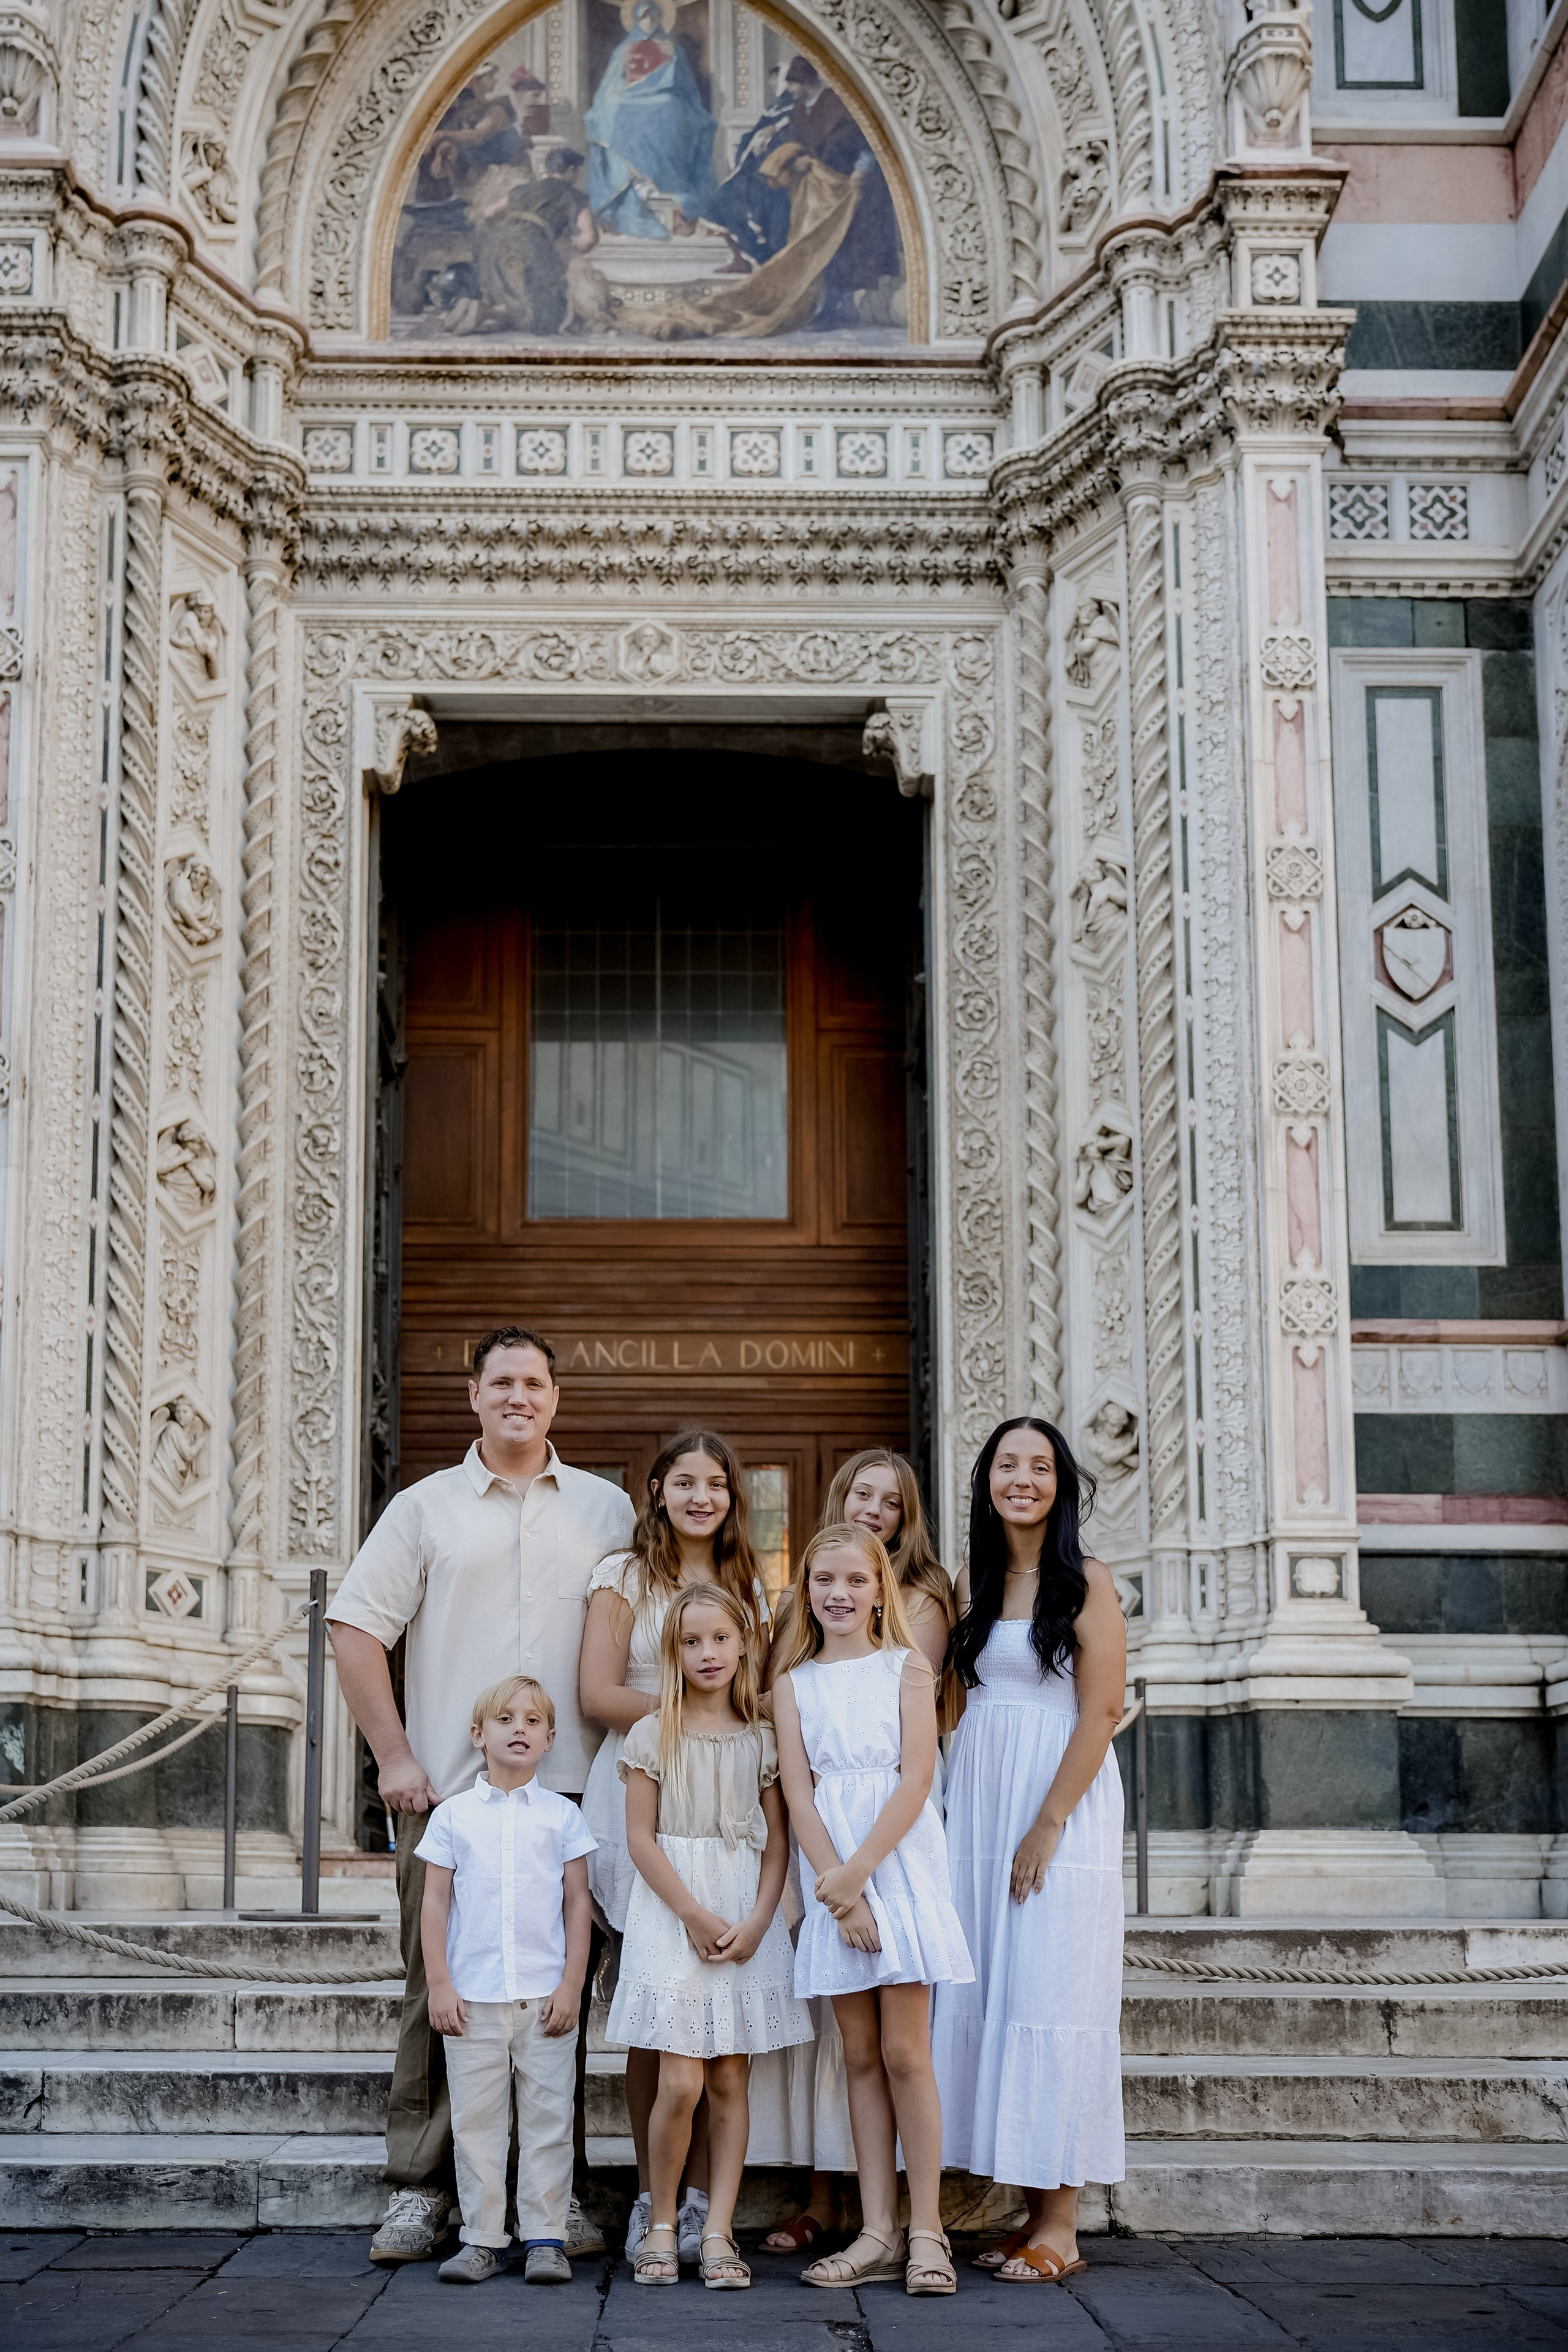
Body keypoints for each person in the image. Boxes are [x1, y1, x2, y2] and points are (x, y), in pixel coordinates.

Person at [328, 1323, 635, 2267]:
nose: (518, 1396)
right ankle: (420, 2192)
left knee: (558, 1995)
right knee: (439, 1996)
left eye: (534, 1383)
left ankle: (560, 2197)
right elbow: (354, 1627)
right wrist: (394, 1758)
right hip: (449, 1803)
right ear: (474, 1395)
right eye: (501, 1381)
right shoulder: (425, 1508)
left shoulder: (607, 1509)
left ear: (555, 1399)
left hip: (571, 1802)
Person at [931, 1418, 1126, 2284]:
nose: (1024, 1479)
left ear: (1062, 1485)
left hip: (1058, 1804)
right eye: (1008, 1465)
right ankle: (1022, 2210)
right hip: (978, 1802)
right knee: (998, 1996)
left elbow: (1100, 1710)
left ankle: (1062, 2226)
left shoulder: (1087, 1582)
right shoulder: (972, 1579)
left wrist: (1048, 1822)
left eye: (1040, 1466)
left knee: (1052, 1990)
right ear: (985, 1482)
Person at [758, 1449, 956, 2255]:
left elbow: (915, 1782)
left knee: (908, 2052)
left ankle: (930, 2230)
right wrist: (836, 1890)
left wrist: (860, 1878)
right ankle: (874, 2231)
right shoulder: (793, 1684)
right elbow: (799, 1794)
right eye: (824, 1582)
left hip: (895, 1863)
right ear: (806, 1590)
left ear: (881, 1589)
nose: (839, 1595)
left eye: (856, 1582)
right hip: (833, 1871)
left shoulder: (905, 1668)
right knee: (860, 2056)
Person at [579, 1428, 768, 2265]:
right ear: (655, 1489)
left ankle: (703, 2204)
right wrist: (681, 1727)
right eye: (684, 1481)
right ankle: (653, 2200)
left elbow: (758, 1687)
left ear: (732, 1496)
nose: (701, 1496)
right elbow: (594, 1691)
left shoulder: (744, 1583)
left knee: (716, 2020)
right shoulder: (626, 1576)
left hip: (729, 1795)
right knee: (657, 2002)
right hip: (647, 1781)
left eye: (716, 1483)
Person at [609, 1584, 812, 2286]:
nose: (707, 1653)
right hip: (674, 1914)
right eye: (691, 1642)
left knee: (730, 2078)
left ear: (744, 1645)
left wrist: (760, 1920)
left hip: (745, 1913)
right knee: (679, 2079)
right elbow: (639, 1839)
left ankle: (720, 2230)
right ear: (673, 1652)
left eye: (720, 1639)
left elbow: (779, 1846)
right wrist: (692, 1914)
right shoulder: (651, 1733)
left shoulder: (762, 1740)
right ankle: (662, 2222)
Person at [418, 1676, 595, 2285]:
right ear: (478, 1735)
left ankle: (546, 2237)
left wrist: (572, 1985)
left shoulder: (562, 1817)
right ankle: (481, 2237)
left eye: (532, 1720)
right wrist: (440, 1984)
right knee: (476, 2125)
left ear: (549, 1739)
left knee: (548, 2122)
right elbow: (435, 1905)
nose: (518, 1728)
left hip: (545, 1998)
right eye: (504, 1718)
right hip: (472, 2001)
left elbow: (577, 1905)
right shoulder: (453, 1817)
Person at [586, 0, 718, 238]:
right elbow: (610, 86)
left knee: (669, 106)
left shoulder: (674, 50)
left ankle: (668, 186)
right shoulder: (624, 50)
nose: (649, 22)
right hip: (629, 100)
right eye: (644, 17)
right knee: (613, 107)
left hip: (664, 101)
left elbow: (686, 88)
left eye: (653, 17)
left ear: (660, 19)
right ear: (636, 20)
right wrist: (610, 101)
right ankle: (625, 192)